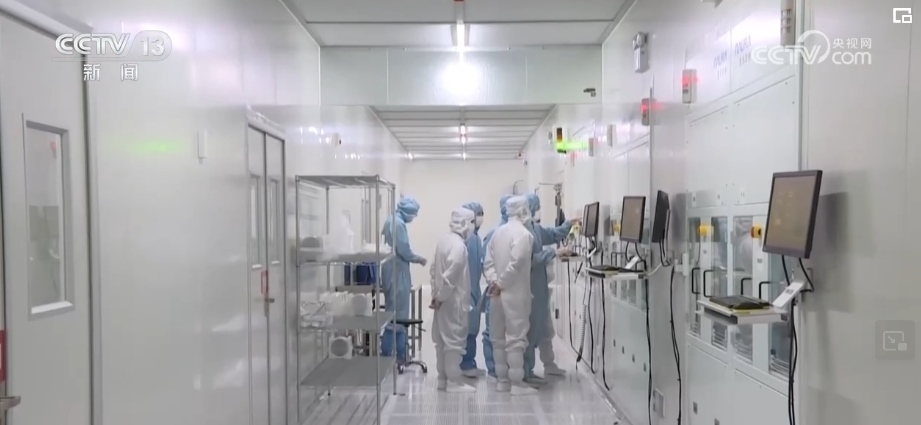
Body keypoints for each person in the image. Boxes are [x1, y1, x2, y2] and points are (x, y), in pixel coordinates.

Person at [483, 196, 536, 395]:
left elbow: (487, 263)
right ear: (524, 210)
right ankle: (517, 384)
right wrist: (501, 283)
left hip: (495, 294)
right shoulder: (524, 234)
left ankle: (502, 381)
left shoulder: (497, 233)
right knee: (515, 339)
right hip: (514, 294)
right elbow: (517, 263)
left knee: (498, 339)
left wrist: (494, 281)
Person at [523, 193, 577, 385]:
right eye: (536, 207)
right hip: (530, 289)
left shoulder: (535, 229)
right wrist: (555, 252)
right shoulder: (523, 233)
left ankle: (549, 364)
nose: (539, 210)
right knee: (530, 332)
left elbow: (553, 234)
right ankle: (526, 371)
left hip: (540, 289)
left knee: (546, 329)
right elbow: (531, 260)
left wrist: (569, 224)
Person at [430, 207, 477, 393]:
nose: (473, 226)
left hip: (441, 300)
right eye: (472, 222)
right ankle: (454, 381)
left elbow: (433, 270)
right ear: (465, 223)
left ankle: (442, 379)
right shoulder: (459, 246)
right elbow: (451, 275)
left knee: (442, 340)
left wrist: (436, 295)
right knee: (453, 342)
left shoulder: (443, 241)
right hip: (452, 301)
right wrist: (441, 296)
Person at [380, 196, 427, 366]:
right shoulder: (397, 224)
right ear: (408, 210)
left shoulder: (392, 220)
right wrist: (418, 259)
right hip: (397, 272)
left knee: (396, 312)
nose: (414, 217)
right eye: (414, 213)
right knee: (398, 314)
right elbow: (403, 249)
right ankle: (391, 354)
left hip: (393, 270)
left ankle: (398, 353)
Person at [481, 194, 512, 379]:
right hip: (497, 290)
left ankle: (506, 369)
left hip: (510, 291)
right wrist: (495, 283)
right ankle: (494, 369)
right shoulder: (495, 233)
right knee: (493, 331)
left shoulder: (516, 232)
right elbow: (486, 263)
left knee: (509, 333)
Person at [460, 202, 486, 377]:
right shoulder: (471, 239)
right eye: (478, 214)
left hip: (471, 289)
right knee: (469, 328)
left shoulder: (473, 238)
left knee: (469, 327)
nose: (481, 217)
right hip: (468, 291)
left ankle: (468, 363)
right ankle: (466, 364)